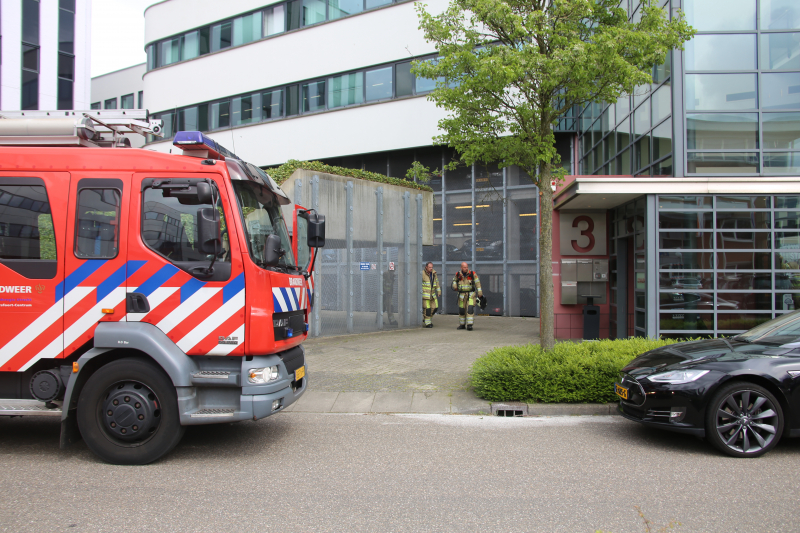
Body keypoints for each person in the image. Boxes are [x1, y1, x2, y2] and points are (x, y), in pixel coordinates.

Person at [451, 261, 482, 330]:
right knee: (462, 310)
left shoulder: (472, 274)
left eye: (467, 267)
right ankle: (462, 325)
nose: (466, 268)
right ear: (461, 267)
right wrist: (455, 286)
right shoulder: (458, 274)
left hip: (471, 295)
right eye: (464, 267)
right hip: (462, 295)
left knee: (470, 309)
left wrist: (480, 292)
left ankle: (469, 325)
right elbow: (454, 281)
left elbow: (477, 283)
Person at [421, 261, 441, 328]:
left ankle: (427, 319)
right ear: (426, 267)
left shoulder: (434, 273)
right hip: (425, 295)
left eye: (432, 267)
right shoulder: (422, 273)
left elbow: (437, 283)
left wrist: (439, 291)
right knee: (427, 309)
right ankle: (427, 323)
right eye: (429, 267)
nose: (431, 269)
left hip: (432, 294)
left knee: (435, 307)